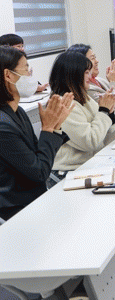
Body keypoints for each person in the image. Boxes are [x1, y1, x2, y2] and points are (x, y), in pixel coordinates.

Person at [0, 47, 72, 220]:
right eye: (26, 69)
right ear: (8, 75)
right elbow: (39, 172)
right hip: (16, 208)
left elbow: (37, 156)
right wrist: (48, 128)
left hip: (34, 197)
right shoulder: (3, 125)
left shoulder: (17, 111)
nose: (30, 75)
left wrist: (55, 126)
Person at [49, 51, 115, 173]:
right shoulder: (63, 104)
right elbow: (90, 141)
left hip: (91, 163)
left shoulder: (82, 96)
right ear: (74, 74)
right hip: (71, 170)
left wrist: (110, 111)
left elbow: (110, 129)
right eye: (86, 72)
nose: (90, 76)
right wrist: (104, 111)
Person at [68, 44, 115, 144]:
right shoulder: (86, 89)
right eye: (92, 58)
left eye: (95, 57)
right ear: (80, 64)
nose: (97, 61)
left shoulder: (100, 80)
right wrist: (114, 82)